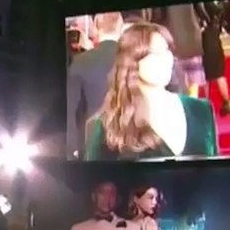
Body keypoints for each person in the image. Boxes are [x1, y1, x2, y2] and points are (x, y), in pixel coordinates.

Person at [84, 22, 219, 161]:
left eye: (167, 50)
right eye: (155, 53)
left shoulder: (200, 110)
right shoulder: (110, 124)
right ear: (132, 61)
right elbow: (93, 180)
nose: (165, 59)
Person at [66, 11, 124, 158]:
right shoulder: (132, 58)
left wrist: (71, 148)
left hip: (91, 143)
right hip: (129, 141)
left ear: (96, 27)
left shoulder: (81, 61)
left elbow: (72, 108)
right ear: (121, 26)